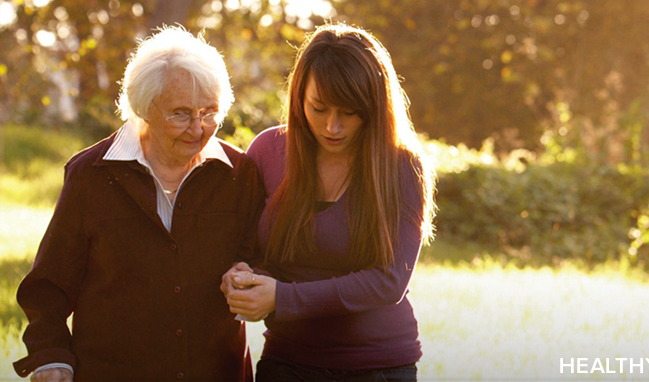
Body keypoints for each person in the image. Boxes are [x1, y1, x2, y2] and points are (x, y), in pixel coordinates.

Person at [13, 26, 265, 382]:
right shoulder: (90, 175)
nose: (198, 128)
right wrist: (51, 356)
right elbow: (49, 286)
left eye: (209, 112)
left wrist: (248, 273)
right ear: (144, 107)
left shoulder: (240, 174)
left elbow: (260, 257)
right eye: (180, 113)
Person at [220, 23, 436, 382]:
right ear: (298, 97)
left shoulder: (401, 166)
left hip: (377, 367)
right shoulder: (268, 152)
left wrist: (283, 298)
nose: (333, 126)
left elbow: (388, 281)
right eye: (318, 108)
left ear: (374, 107)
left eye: (349, 112)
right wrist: (244, 276)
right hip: (286, 362)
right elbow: (255, 252)